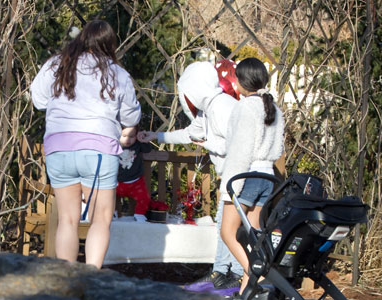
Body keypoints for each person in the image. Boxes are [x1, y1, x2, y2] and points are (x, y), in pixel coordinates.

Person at [30, 20, 141, 269]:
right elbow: (131, 117)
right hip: (98, 150)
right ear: (109, 44)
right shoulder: (117, 72)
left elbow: (38, 99)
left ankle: (68, 283)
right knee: (100, 219)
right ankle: (91, 281)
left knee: (67, 220)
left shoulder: (57, 64)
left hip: (59, 147)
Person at [138, 61, 244, 297]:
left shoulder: (222, 106)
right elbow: (192, 133)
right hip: (228, 176)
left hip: (237, 175)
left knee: (230, 228)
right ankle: (220, 272)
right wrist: (156, 135)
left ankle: (235, 274)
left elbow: (235, 143)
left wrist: (206, 143)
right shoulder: (209, 109)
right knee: (223, 225)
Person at [219, 57, 285, 297]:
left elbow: (240, 150)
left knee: (227, 232)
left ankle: (259, 274)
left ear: (241, 81)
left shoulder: (246, 106)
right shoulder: (274, 108)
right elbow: (278, 150)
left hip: (245, 175)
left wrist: (229, 188)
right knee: (254, 242)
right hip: (267, 177)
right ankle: (250, 292)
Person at [116, 125, 152, 222]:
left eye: (132, 136)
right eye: (124, 136)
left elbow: (148, 149)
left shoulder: (138, 144)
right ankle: (112, 213)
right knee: (108, 197)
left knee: (144, 198)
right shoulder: (114, 144)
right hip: (116, 182)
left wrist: (142, 139)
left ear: (136, 135)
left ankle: (139, 214)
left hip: (135, 182)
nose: (128, 139)